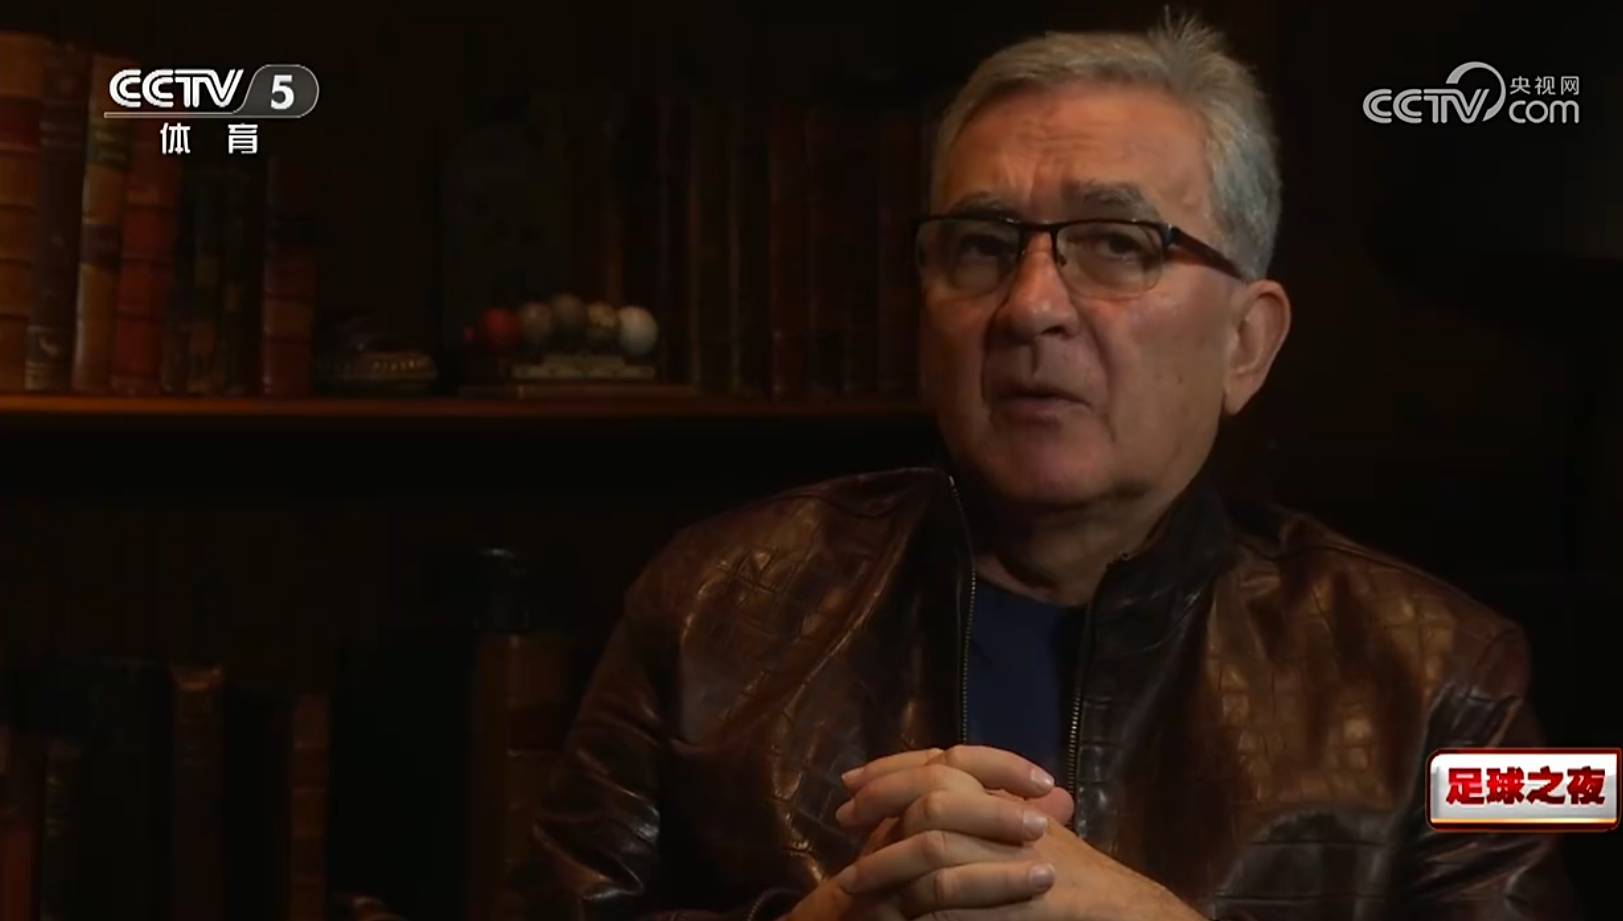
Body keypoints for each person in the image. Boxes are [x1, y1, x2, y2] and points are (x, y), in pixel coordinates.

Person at [500, 14, 1580, 921]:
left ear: (1247, 343)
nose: (1029, 307)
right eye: (982, 246)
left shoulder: (1456, 676)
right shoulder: (706, 606)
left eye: (1118, 244)